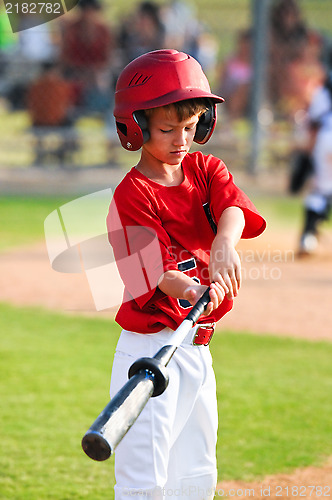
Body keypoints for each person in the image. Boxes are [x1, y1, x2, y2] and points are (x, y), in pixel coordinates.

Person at [106, 49, 266, 499]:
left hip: (196, 348)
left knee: (196, 472)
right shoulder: (132, 194)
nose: (181, 139)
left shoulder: (204, 168)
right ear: (135, 127)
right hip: (151, 351)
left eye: (191, 127)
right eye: (167, 129)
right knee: (145, 479)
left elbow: (232, 206)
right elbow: (157, 274)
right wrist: (195, 287)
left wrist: (223, 244)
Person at [298, 71, 332, 255]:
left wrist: (308, 157)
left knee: (320, 190)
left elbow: (313, 127)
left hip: (327, 140)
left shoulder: (323, 91)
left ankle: (308, 238)